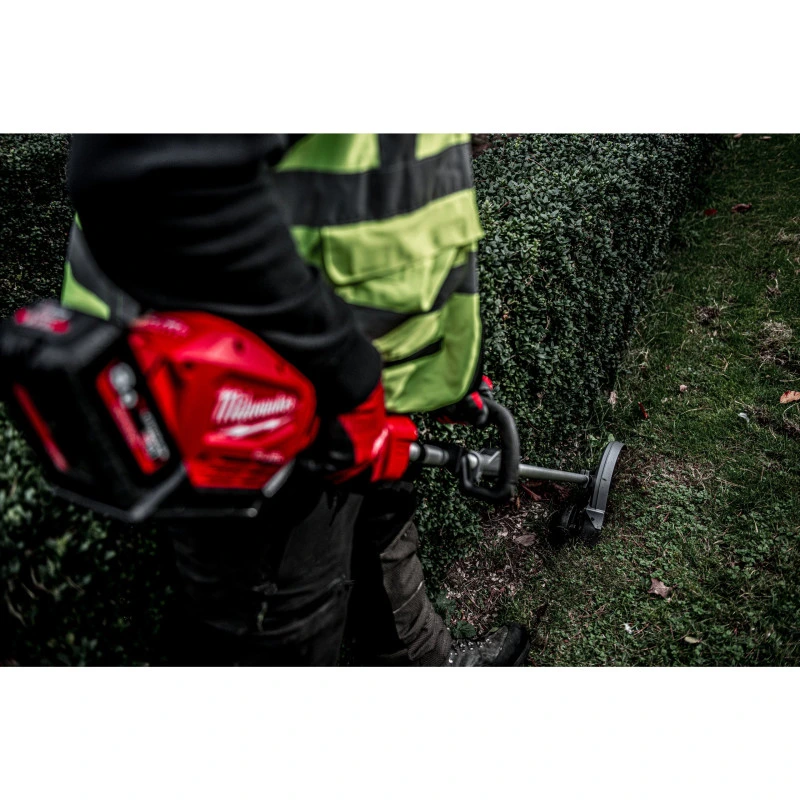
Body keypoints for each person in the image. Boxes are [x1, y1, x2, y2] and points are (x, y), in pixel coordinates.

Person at [61, 134, 530, 666]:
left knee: (380, 517)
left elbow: (386, 194)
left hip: (347, 376)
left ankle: (421, 660)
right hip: (236, 394)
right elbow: (139, 171)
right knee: (279, 619)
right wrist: (344, 375)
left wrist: (438, 368)